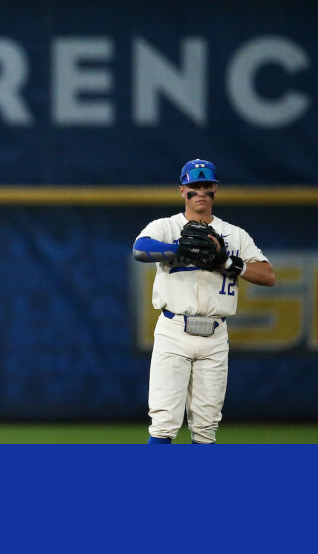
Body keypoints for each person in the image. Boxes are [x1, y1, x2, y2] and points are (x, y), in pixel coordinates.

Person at [131, 159, 275, 444]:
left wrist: (227, 262)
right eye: (194, 186)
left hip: (215, 334)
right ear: (182, 189)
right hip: (174, 331)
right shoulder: (167, 226)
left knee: (206, 428)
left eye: (206, 186)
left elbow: (267, 275)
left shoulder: (235, 235)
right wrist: (180, 249)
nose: (200, 191)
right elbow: (140, 249)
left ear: (215, 191)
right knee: (163, 424)